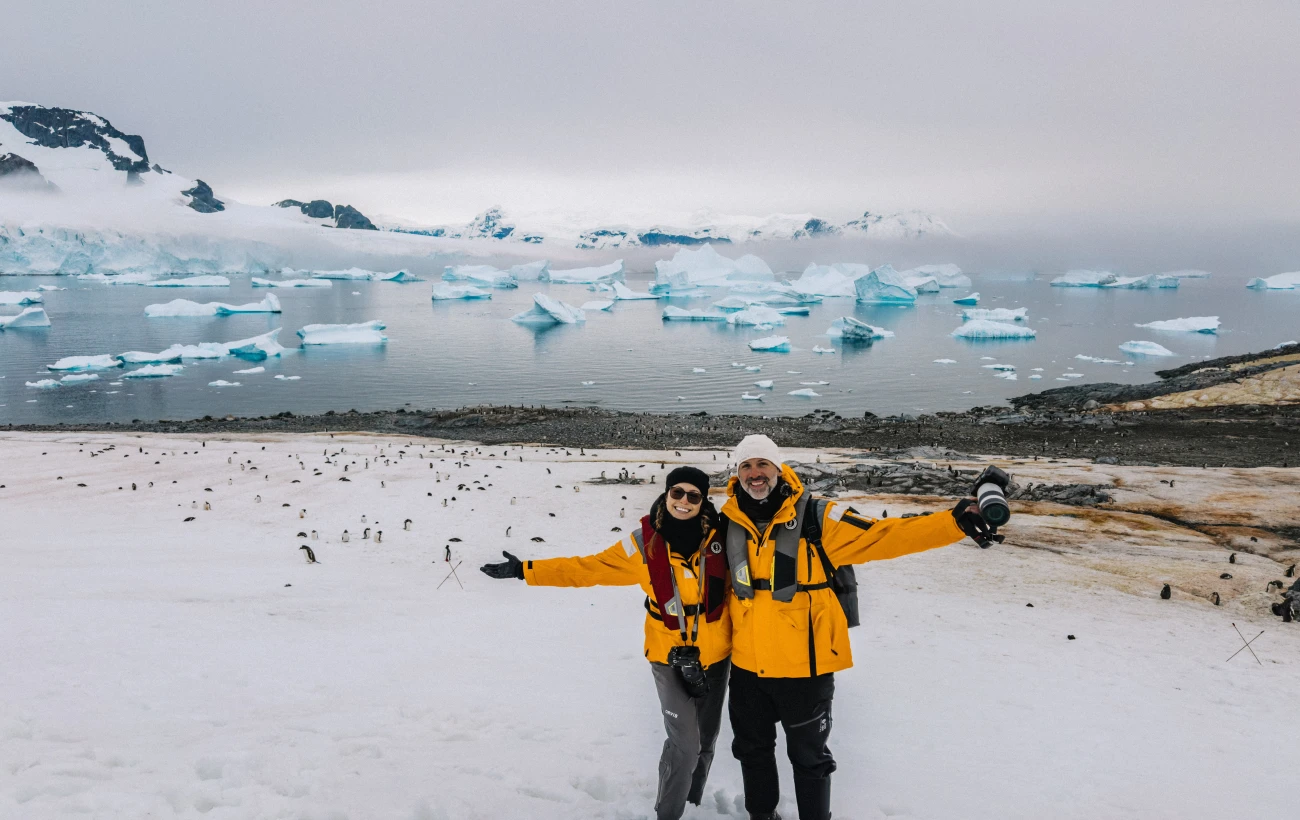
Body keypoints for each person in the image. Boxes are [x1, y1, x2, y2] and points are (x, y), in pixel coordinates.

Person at [719, 434, 1007, 820]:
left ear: (778, 468)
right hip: (748, 669)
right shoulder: (726, 523)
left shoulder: (819, 517)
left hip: (807, 667)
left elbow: (884, 536)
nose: (755, 474)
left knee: (809, 758)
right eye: (747, 466)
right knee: (751, 751)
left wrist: (954, 523)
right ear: (737, 474)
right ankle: (761, 815)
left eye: (762, 465)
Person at [480, 467, 733, 820]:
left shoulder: (724, 538)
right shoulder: (643, 543)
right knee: (686, 744)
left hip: (716, 656)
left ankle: (692, 804)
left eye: (694, 495)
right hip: (667, 655)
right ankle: (669, 814)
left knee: (704, 742)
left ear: (704, 500)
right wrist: (527, 570)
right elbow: (589, 568)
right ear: (666, 493)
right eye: (677, 492)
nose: (684, 501)